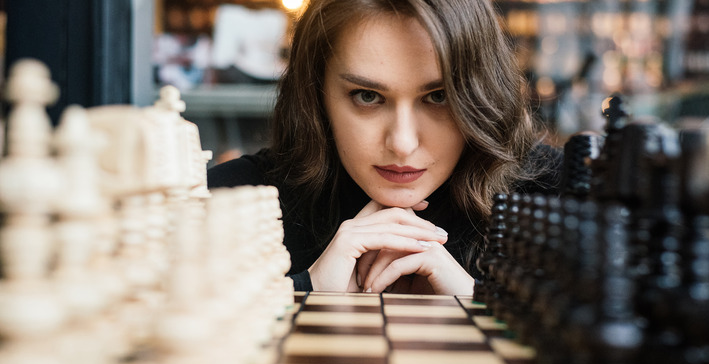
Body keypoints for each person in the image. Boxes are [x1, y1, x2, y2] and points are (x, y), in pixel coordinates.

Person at [207, 0, 562, 295]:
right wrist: (305, 289)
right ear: (315, 95)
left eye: (438, 97)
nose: (403, 144)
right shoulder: (228, 205)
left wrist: (474, 304)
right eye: (368, 97)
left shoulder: (559, 196)